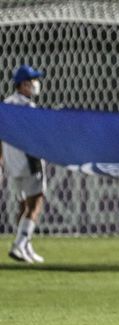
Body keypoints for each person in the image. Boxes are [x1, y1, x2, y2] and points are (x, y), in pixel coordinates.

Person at [2, 64, 46, 263]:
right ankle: (19, 244)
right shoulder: (28, 108)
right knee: (36, 202)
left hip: (12, 163)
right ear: (24, 84)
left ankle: (26, 246)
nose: (37, 84)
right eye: (33, 80)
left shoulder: (6, 104)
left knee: (23, 204)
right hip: (29, 161)